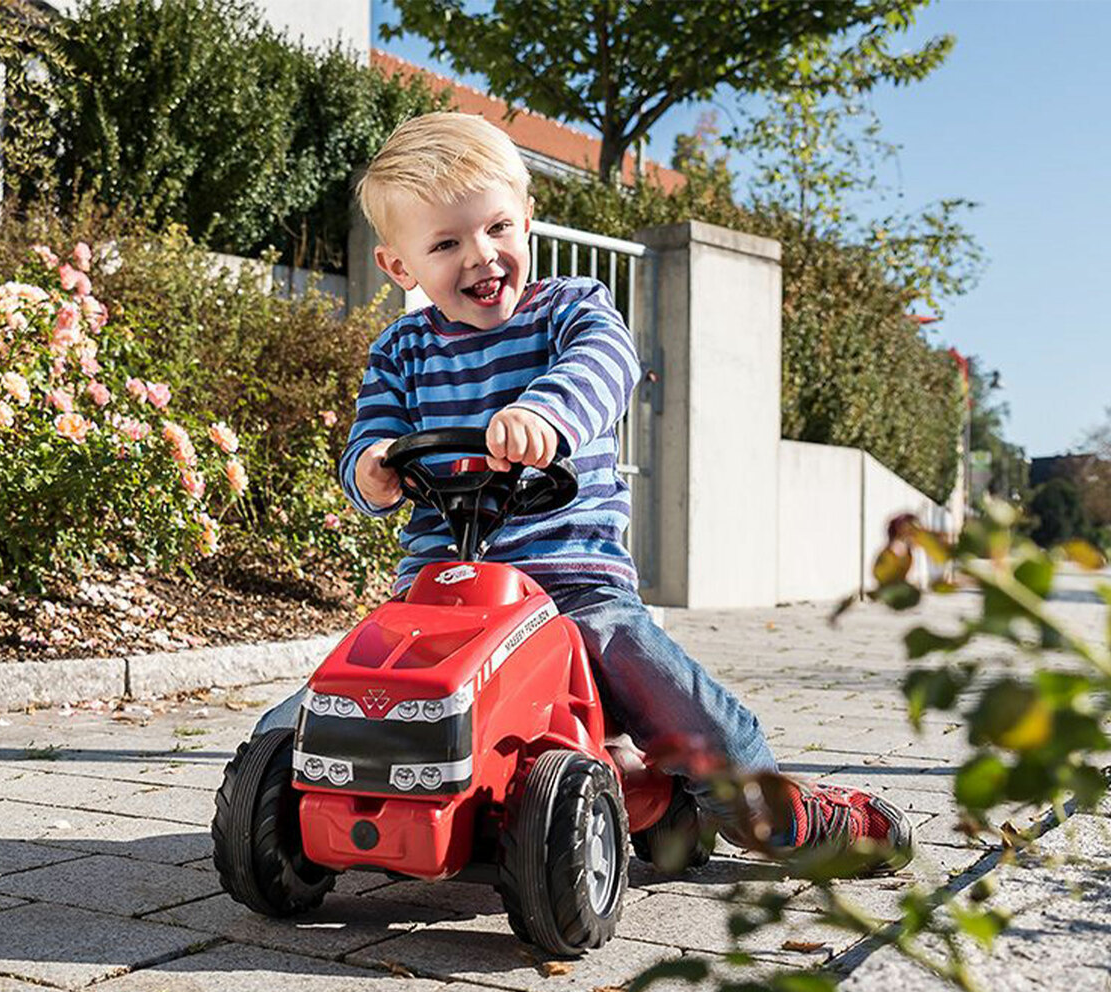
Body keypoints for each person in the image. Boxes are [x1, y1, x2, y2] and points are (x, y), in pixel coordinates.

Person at [256, 111, 912, 869]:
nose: (481, 256)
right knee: (326, 702)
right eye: (445, 244)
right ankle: (285, 784)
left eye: (498, 228)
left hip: (575, 586)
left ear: (528, 216)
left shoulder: (570, 309)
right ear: (400, 267)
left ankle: (778, 814)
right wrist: (372, 467)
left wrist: (545, 413)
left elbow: (607, 363)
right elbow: (371, 442)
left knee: (689, 715)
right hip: (437, 597)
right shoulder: (401, 349)